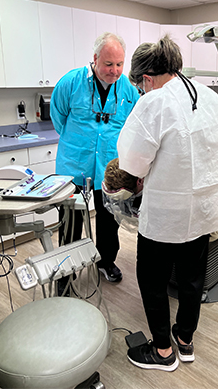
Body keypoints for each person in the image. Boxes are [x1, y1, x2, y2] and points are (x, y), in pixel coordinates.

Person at [117, 35, 218, 372]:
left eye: (140, 86)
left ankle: (163, 352)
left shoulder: (155, 103)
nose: (141, 91)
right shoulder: (208, 96)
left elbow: (132, 163)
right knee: (192, 278)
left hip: (166, 214)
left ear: (146, 78)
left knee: (152, 280)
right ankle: (184, 340)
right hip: (204, 209)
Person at [51, 32, 139, 284]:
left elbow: (132, 127)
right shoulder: (71, 82)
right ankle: (66, 271)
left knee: (109, 219)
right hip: (73, 164)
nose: (114, 71)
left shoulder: (128, 90)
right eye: (109, 64)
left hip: (110, 167)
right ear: (95, 59)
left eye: (120, 64)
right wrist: (80, 142)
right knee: (70, 220)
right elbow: (59, 119)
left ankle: (106, 261)